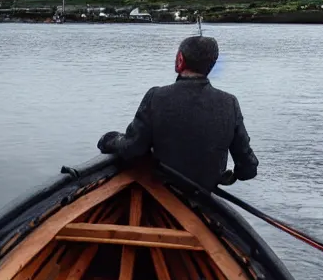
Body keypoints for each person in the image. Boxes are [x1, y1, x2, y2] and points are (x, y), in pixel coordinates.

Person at [97, 35, 258, 190]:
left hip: (162, 192)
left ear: (180, 60)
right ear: (211, 64)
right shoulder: (229, 102)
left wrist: (110, 140)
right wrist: (231, 176)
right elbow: (248, 169)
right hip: (204, 195)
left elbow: (132, 149)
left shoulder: (156, 96)